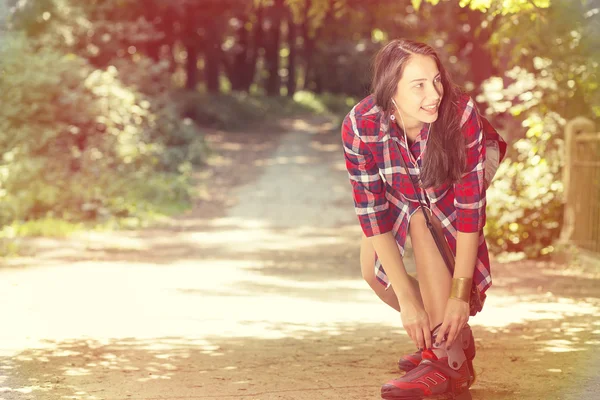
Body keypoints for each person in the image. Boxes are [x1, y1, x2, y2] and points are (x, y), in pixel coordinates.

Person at [341, 39, 507, 400]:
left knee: (421, 215)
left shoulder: (459, 114)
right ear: (391, 91)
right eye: (418, 85)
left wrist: (460, 296)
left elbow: (469, 213)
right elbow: (371, 212)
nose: (433, 93)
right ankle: (449, 335)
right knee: (373, 272)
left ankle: (447, 363)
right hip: (404, 170)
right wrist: (409, 302)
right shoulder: (360, 126)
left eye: (436, 80)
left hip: (467, 161)